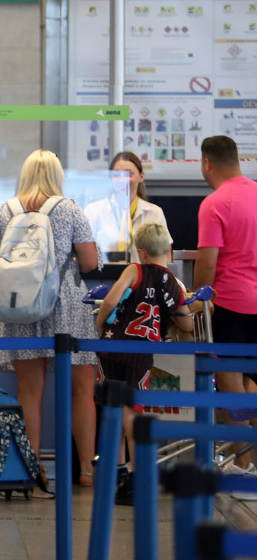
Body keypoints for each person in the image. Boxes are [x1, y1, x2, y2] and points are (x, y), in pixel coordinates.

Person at [0, 149, 100, 488]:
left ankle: (32, 470)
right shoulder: (70, 209)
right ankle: (87, 471)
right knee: (82, 391)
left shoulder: (6, 211)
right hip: (66, 305)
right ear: (57, 175)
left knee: (29, 393)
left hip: (20, 305)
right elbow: (90, 262)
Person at [94, 222, 193, 505]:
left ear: (141, 252)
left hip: (111, 347)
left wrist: (101, 325)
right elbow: (186, 323)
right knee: (132, 415)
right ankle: (136, 479)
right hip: (141, 355)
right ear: (169, 251)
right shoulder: (173, 284)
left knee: (113, 413)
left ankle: (116, 474)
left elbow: (111, 300)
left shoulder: (134, 270)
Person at [194, 136, 257, 481]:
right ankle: (248, 463)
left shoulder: (214, 203)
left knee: (229, 377)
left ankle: (240, 467)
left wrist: (202, 300)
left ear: (206, 163)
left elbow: (206, 262)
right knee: (251, 378)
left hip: (229, 303)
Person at [84, 151, 168, 262]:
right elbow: (85, 256)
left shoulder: (154, 213)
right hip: (104, 278)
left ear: (141, 176)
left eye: (128, 174)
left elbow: (165, 256)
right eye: (117, 175)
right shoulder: (93, 211)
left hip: (144, 278)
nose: (122, 180)